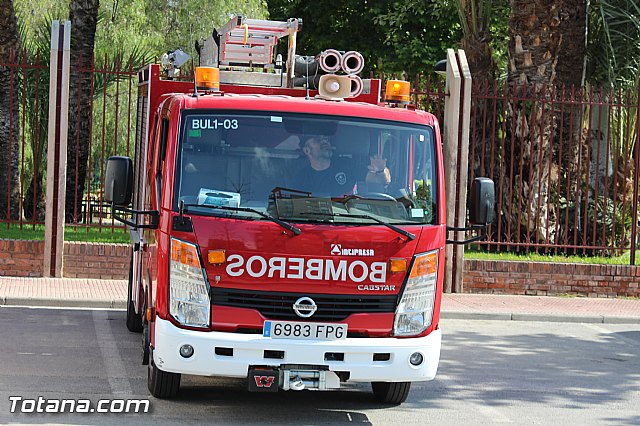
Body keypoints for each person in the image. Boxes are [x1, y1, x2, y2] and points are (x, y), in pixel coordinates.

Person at [294, 134, 391, 196]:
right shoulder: (301, 178)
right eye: (318, 139)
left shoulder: (346, 164)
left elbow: (381, 180)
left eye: (326, 139)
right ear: (307, 150)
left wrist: (381, 170)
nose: (324, 141)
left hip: (347, 220)